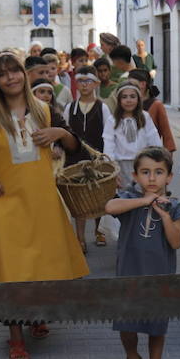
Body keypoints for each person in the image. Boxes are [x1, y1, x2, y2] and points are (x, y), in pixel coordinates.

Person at [0, 52, 90, 359]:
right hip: (9, 205)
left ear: (23, 75)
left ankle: (37, 316)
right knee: (13, 272)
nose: (11, 78)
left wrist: (59, 133)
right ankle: (15, 339)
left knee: (42, 267)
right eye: (3, 74)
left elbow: (74, 145)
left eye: (14, 71)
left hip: (42, 200)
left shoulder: (44, 109)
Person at [105, 147, 180, 359]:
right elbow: (110, 207)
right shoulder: (129, 199)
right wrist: (144, 201)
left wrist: (163, 214)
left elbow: (176, 242)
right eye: (145, 172)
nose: (152, 179)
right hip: (129, 276)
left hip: (159, 279)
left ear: (169, 177)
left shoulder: (175, 207)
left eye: (159, 172)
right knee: (126, 324)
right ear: (135, 176)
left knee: (156, 325)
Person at [65, 66, 115, 250]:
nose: (84, 85)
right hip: (75, 159)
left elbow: (109, 133)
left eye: (88, 81)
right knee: (78, 198)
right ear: (76, 84)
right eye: (80, 81)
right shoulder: (70, 108)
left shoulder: (103, 108)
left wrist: (107, 158)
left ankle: (99, 231)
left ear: (96, 83)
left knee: (99, 196)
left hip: (98, 159)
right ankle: (80, 239)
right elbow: (65, 132)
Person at [105, 82, 162, 186]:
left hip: (144, 163)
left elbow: (154, 139)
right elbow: (109, 146)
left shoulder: (145, 117)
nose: (128, 100)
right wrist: (112, 169)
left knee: (143, 193)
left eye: (132, 96)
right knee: (125, 195)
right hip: (121, 165)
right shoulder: (112, 120)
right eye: (124, 97)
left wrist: (159, 160)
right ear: (119, 100)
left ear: (138, 99)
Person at [128, 68, 177, 153]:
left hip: (150, 155)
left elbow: (167, 134)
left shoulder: (156, 105)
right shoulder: (127, 104)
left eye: (131, 83)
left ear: (143, 84)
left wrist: (167, 160)